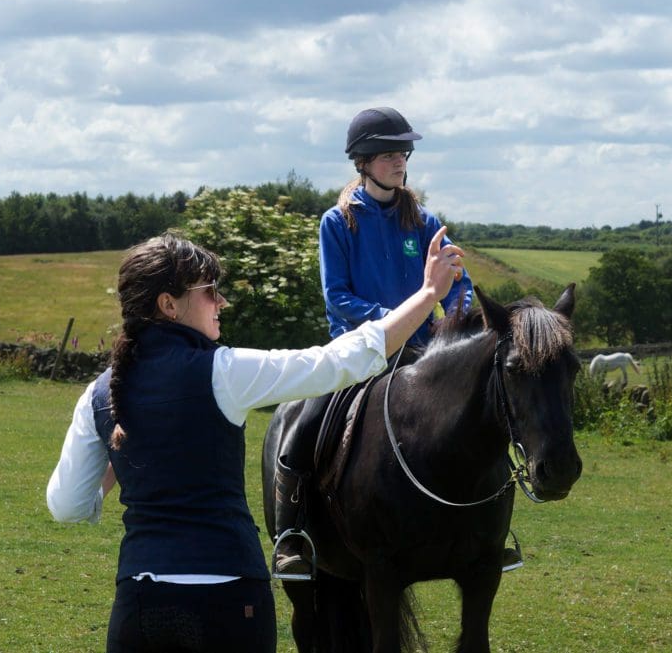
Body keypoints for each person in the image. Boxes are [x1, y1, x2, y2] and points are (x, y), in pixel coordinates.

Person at [46, 229, 463, 653]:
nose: (221, 301)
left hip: (139, 603)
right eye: (209, 291)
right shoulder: (224, 371)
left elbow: (68, 505)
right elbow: (341, 361)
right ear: (168, 305)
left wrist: (130, 451)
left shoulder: (99, 394)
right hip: (227, 602)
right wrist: (429, 293)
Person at [272, 106, 520, 579]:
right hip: (356, 352)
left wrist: (459, 314)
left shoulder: (424, 219)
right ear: (363, 161)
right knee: (304, 426)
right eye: (388, 154)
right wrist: (390, 323)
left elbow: (456, 278)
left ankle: (492, 533)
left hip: (424, 352)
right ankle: (293, 536)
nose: (400, 161)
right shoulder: (337, 222)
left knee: (484, 420)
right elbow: (337, 297)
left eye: (403, 153)